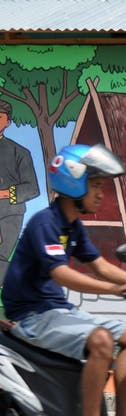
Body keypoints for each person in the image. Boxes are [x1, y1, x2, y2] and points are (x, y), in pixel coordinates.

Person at [1, 144, 126, 416]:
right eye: (95, 185)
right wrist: (119, 289)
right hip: (33, 316)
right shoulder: (45, 222)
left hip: (57, 312)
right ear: (73, 184)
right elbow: (63, 275)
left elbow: (98, 265)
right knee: (101, 340)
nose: (100, 194)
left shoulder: (71, 225)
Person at [0, 99, 40, 284]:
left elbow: (32, 188)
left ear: (8, 122)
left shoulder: (19, 152)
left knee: (2, 256)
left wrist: (3, 194)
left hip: (9, 213)